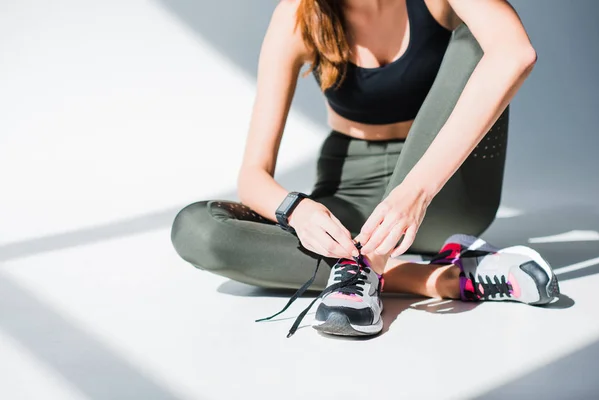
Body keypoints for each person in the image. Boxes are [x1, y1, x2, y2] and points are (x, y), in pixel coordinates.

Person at [171, 0, 560, 337]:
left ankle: (361, 272)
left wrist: (415, 193)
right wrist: (297, 211)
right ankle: (438, 279)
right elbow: (252, 177)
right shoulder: (297, 16)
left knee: (485, 33)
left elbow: (514, 53)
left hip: (444, 192)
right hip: (355, 202)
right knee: (197, 228)